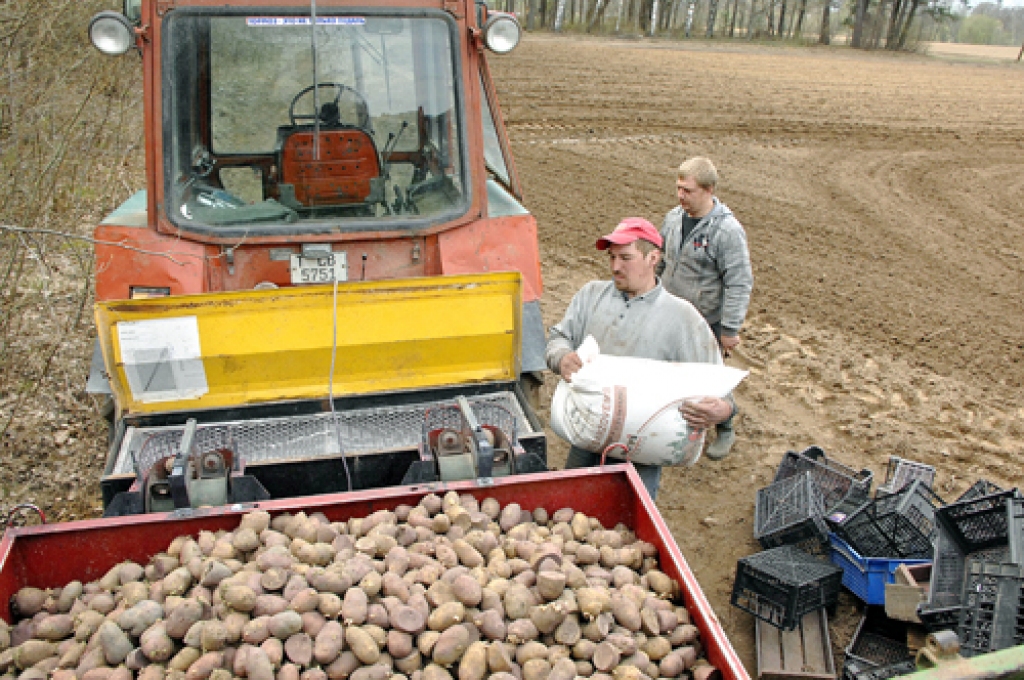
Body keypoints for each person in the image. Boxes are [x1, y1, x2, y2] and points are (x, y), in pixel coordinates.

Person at [545, 217, 736, 500]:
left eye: (625, 258)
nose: (615, 267)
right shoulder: (591, 295)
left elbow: (721, 390)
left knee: (629, 527)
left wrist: (722, 410)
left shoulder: (683, 319)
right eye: (611, 257)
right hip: (586, 439)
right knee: (569, 508)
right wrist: (561, 357)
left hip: (641, 455)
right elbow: (558, 338)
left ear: (653, 258)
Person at [660, 157, 753, 461]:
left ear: (709, 189)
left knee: (710, 379)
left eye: (688, 190)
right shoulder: (674, 218)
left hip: (706, 322)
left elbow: (739, 282)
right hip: (671, 312)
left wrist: (729, 329)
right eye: (678, 188)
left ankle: (725, 427)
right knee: (667, 368)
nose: (680, 196)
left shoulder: (726, 231)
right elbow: (662, 260)